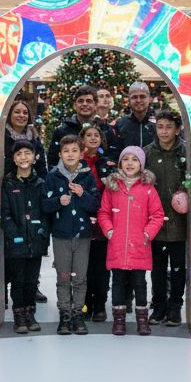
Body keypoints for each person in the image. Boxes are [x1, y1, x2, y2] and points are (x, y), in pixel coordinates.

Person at [98, 146, 165, 337]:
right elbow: (103, 212)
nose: (129, 163)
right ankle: (119, 321)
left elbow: (157, 215)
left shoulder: (148, 189)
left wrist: (147, 234)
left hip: (139, 245)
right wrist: (109, 231)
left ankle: (142, 320)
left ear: (141, 165)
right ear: (120, 163)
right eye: (125, 159)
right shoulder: (112, 188)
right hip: (117, 244)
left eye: (134, 160)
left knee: (140, 282)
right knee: (118, 282)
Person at [42, 135, 101, 335]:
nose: (70, 154)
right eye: (66, 151)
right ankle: (65, 314)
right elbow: (44, 205)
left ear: (81, 153)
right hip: (61, 236)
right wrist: (59, 201)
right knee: (64, 276)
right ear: (60, 154)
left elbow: (96, 205)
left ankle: (78, 313)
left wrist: (82, 194)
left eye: (74, 150)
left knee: (80, 278)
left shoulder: (87, 175)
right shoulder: (52, 176)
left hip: (83, 235)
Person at [144, 109, 189, 327]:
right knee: (158, 268)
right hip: (154, 221)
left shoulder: (187, 151)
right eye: (160, 126)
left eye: (169, 127)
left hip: (180, 221)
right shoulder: (148, 153)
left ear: (178, 129)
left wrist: (184, 190)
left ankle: (175, 308)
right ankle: (159, 306)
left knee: (179, 266)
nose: (164, 131)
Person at [1, 140, 50, 335]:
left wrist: (43, 233)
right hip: (16, 243)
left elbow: (46, 211)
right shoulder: (8, 183)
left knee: (31, 281)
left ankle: (30, 313)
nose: (23, 157)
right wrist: (15, 235)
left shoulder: (40, 183)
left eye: (27, 153)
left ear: (34, 157)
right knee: (18, 280)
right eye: (19, 153)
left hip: (35, 241)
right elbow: (5, 213)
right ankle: (19, 315)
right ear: (13, 158)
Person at [80, 124, 117, 322]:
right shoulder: (76, 162)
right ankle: (85, 303)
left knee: (101, 266)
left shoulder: (108, 163)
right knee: (83, 265)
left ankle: (100, 303)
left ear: (101, 139)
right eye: (89, 135)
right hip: (82, 219)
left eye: (96, 135)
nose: (93, 138)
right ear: (82, 139)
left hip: (103, 219)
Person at [47, 85, 100, 166]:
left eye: (89, 101)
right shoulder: (62, 131)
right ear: (75, 105)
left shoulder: (102, 129)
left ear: (95, 105)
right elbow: (53, 161)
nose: (85, 104)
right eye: (80, 101)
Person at [3, 98, 47, 178]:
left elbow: (41, 165)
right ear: (9, 115)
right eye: (17, 112)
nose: (21, 115)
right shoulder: (2, 137)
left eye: (25, 113)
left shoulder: (34, 137)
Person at [112, 81, 157, 156]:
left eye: (142, 97)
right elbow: (115, 153)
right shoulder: (120, 124)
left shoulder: (158, 124)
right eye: (134, 97)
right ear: (129, 99)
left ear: (149, 99)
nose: (138, 100)